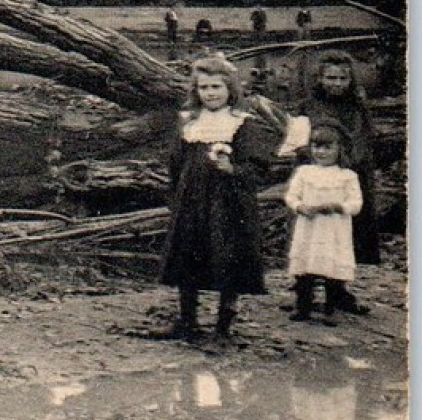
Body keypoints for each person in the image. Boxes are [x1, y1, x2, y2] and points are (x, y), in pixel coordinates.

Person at [158, 56, 273, 340]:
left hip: (229, 203)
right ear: (195, 91)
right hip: (192, 199)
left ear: (230, 89)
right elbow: (176, 161)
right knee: (188, 252)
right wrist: (176, 194)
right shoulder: (188, 122)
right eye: (204, 87)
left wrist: (233, 169)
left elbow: (259, 166)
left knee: (227, 254)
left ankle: (224, 322)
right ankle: (187, 319)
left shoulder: (241, 123)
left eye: (216, 87)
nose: (210, 93)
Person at [294, 52, 380, 307]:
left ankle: (338, 290)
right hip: (314, 176)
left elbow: (364, 138)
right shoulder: (308, 105)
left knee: (342, 235)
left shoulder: (357, 107)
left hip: (346, 175)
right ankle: (303, 291)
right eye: (331, 77)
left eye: (343, 78)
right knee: (307, 235)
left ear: (351, 80)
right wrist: (311, 163)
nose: (337, 83)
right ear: (320, 78)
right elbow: (298, 139)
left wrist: (346, 167)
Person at [284, 124, 364, 323]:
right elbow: (291, 196)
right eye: (316, 147)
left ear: (340, 149)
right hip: (309, 228)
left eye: (327, 147)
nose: (321, 152)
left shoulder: (347, 176)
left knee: (332, 269)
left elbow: (356, 203)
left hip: (334, 230)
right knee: (305, 268)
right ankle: (303, 306)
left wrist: (338, 207)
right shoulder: (304, 172)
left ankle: (331, 309)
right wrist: (300, 207)